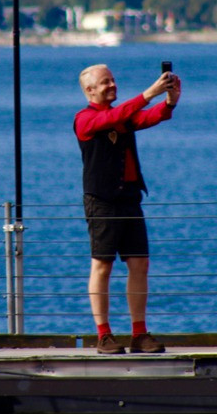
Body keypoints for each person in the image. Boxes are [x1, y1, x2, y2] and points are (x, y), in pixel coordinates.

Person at [74, 63, 181, 354]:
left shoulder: (120, 116)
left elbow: (148, 118)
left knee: (139, 264)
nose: (112, 85)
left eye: (113, 80)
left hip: (129, 199)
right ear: (89, 90)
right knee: (102, 265)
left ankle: (139, 333)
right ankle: (104, 335)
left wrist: (169, 100)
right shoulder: (84, 119)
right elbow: (119, 116)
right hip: (102, 201)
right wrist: (149, 93)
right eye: (105, 82)